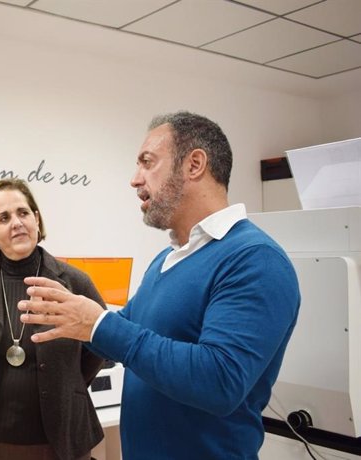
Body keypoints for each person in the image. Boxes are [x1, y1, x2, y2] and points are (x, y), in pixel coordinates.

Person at [18, 111, 301, 460]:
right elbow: (119, 338)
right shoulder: (168, 260)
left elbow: (219, 381)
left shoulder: (254, 259)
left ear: (194, 164)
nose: (135, 180)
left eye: (147, 163)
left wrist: (98, 324)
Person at [0, 178, 106, 460]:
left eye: (23, 212)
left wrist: (66, 383)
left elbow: (100, 345)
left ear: (37, 220)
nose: (16, 222)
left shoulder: (75, 283)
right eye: (3, 218)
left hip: (61, 442)